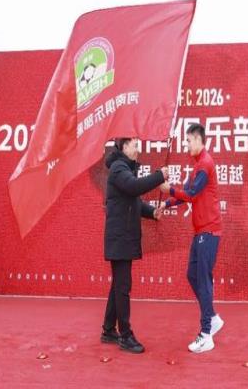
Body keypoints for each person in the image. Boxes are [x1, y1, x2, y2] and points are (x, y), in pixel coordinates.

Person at [159, 123, 224, 353]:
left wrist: (169, 190)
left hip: (209, 231)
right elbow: (185, 194)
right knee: (192, 275)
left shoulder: (205, 164)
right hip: (200, 232)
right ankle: (212, 318)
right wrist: (166, 203)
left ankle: (206, 334)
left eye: (188, 141)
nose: (186, 145)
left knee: (203, 279)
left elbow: (193, 193)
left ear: (198, 140)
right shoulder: (197, 166)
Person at [101, 137, 168, 353]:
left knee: (118, 285)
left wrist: (152, 212)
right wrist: (160, 176)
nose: (138, 150)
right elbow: (134, 188)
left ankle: (108, 330)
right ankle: (125, 335)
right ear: (124, 147)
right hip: (120, 237)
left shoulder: (124, 168)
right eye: (135, 146)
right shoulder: (119, 168)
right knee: (123, 286)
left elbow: (134, 201)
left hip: (123, 236)